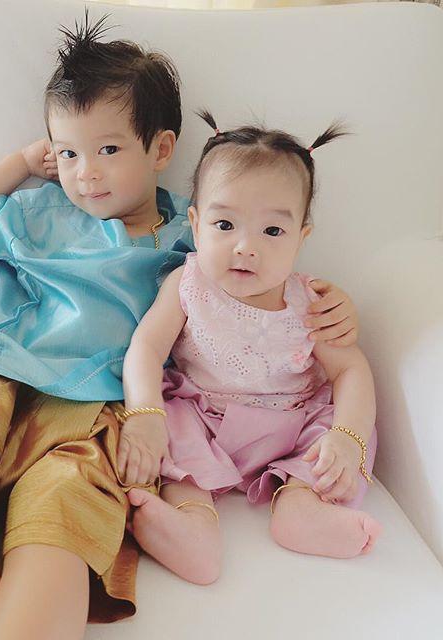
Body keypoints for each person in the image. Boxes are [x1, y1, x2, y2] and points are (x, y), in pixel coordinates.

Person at [0, 15, 360, 640]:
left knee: (67, 493)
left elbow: (260, 272)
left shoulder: (194, 233)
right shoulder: (40, 210)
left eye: (108, 150)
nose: (85, 172)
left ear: (161, 150)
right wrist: (21, 163)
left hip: (102, 408)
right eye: (68, 153)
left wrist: (334, 300)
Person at [119, 111, 381, 586]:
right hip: (206, 418)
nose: (245, 247)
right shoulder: (187, 284)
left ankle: (300, 506)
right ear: (195, 224)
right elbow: (146, 347)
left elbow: (351, 370)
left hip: (291, 422)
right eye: (225, 224)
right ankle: (193, 524)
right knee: (175, 427)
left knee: (333, 435)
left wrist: (348, 435)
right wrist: (145, 414)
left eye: (272, 231)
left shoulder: (312, 302)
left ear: (301, 238)